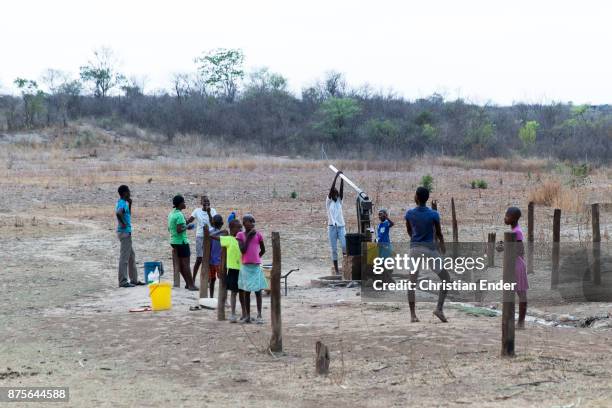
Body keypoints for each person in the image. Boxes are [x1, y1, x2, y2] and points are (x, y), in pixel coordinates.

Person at [405, 186, 451, 323]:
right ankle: (439, 309)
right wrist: (442, 245)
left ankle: (413, 315)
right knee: (445, 278)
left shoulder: (409, 214)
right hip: (430, 249)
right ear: (427, 199)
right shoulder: (433, 214)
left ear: (416, 198)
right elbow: (438, 233)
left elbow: (409, 231)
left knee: (411, 282)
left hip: (415, 249)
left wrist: (416, 240)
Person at [237, 214, 267, 324]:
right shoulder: (240, 235)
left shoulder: (258, 235)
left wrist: (257, 257)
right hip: (245, 267)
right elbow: (243, 250)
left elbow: (263, 250)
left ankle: (259, 314)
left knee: (258, 291)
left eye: (254, 221)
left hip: (255, 266)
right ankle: (248, 315)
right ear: (244, 223)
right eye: (250, 221)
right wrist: (249, 236)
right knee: (247, 292)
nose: (253, 223)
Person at [503, 206, 529, 329]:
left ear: (514, 218)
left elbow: (520, 250)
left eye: (507, 216)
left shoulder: (516, 232)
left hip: (517, 265)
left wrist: (504, 247)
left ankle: (521, 322)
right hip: (513, 265)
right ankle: (512, 320)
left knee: (521, 294)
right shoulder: (514, 231)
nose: (505, 218)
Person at [115, 185, 144, 288]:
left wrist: (130, 204)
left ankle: (134, 280)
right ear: (124, 193)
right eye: (128, 191)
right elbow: (118, 213)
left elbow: (127, 214)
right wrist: (123, 224)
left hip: (125, 232)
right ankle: (123, 281)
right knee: (124, 258)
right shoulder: (122, 203)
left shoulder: (123, 203)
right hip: (124, 233)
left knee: (131, 256)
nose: (130, 193)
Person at [168, 195, 198, 291]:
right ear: (180, 204)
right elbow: (179, 229)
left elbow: (170, 228)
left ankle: (188, 284)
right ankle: (191, 285)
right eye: (183, 202)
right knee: (186, 264)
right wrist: (187, 227)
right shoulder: (179, 215)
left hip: (174, 241)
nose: (185, 204)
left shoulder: (172, 213)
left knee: (180, 265)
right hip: (182, 242)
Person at [186, 195, 217, 283]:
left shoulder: (213, 211)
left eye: (208, 201)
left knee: (208, 258)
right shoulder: (197, 211)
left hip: (210, 236)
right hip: (200, 236)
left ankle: (209, 279)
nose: (206, 203)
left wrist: (209, 213)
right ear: (201, 203)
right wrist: (184, 222)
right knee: (199, 258)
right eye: (204, 201)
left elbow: (214, 224)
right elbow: (189, 220)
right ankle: (193, 279)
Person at [220, 219, 245, 323]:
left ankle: (244, 313)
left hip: (243, 269)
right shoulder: (229, 239)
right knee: (234, 293)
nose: (240, 229)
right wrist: (222, 232)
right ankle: (233, 314)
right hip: (233, 270)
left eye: (241, 227)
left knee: (243, 293)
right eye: (238, 227)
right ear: (231, 229)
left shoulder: (243, 239)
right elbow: (213, 236)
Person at [327, 171, 346, 274]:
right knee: (334, 249)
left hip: (341, 226)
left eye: (336, 194)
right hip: (332, 228)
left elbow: (342, 190)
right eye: (333, 194)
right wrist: (336, 176)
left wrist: (342, 179)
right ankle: (337, 270)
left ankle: (345, 266)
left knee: (344, 246)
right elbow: (331, 189)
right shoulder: (328, 202)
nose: (335, 195)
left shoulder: (339, 200)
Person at [207, 214, 226, 298]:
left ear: (212, 223)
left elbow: (207, 247)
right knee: (222, 280)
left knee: (212, 280)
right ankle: (223, 298)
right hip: (219, 261)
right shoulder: (223, 233)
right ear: (222, 223)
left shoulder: (210, 232)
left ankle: (211, 297)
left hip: (211, 260)